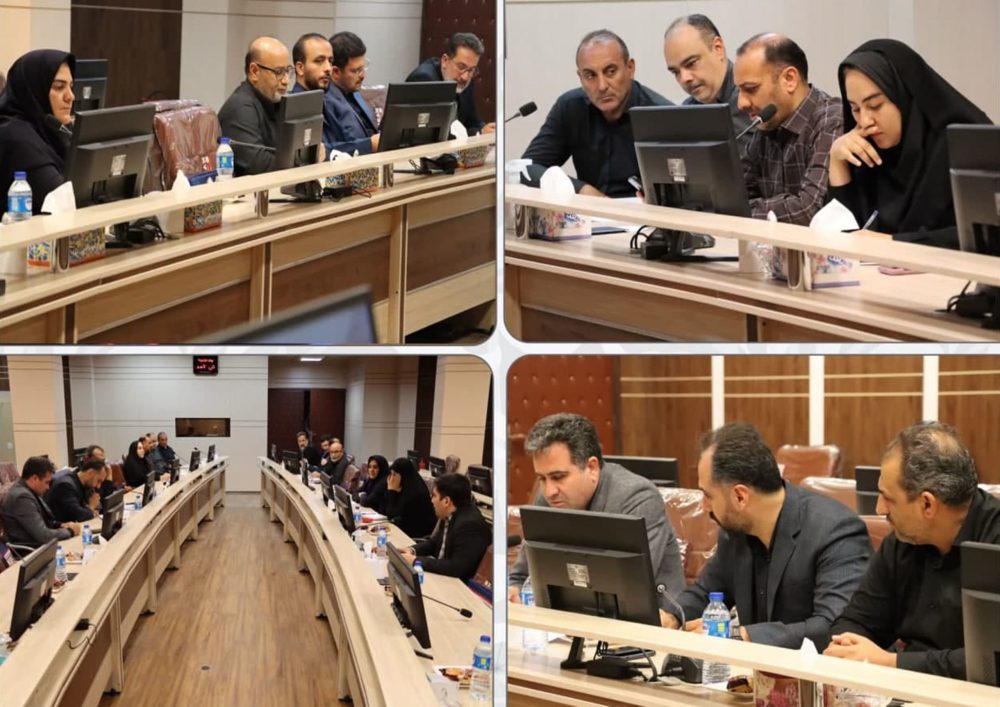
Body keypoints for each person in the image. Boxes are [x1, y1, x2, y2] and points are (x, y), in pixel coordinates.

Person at [660, 423, 871, 650]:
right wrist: (673, 616)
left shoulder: (835, 531)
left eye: (708, 495)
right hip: (756, 669)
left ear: (740, 497)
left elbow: (833, 627)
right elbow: (705, 592)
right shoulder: (735, 533)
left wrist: (741, 635)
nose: (703, 505)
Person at [825, 422, 1000, 678]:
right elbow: (856, 621)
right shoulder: (902, 541)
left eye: (888, 498)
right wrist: (847, 646)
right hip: (904, 687)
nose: (879, 509)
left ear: (927, 504)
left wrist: (892, 662)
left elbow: (992, 662)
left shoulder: (994, 541)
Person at [508, 413, 686, 608]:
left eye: (558, 477)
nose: (549, 491)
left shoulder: (638, 498)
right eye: (542, 479)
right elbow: (521, 575)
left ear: (592, 468)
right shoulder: (547, 499)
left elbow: (629, 585)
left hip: (647, 619)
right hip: (572, 616)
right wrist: (514, 590)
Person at [827, 39, 991, 249]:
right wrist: (838, 164)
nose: (865, 121)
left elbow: (988, 235)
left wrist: (896, 242)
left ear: (905, 95)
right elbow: (840, 241)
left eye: (875, 105)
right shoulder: (867, 149)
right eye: (855, 109)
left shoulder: (966, 146)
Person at [521, 29, 671, 198]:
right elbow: (525, 169)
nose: (602, 86)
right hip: (588, 211)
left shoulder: (660, 115)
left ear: (630, 68)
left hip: (642, 213)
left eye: (610, 71)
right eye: (590, 75)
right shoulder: (570, 107)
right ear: (580, 77)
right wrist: (581, 189)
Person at [734, 33, 842, 225]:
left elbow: (808, 210)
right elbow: (734, 197)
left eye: (750, 88)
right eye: (739, 91)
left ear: (789, 79)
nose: (741, 103)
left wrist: (743, 211)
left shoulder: (831, 119)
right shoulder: (768, 121)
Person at [0, 49, 75, 219]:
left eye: (71, 87)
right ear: (34, 90)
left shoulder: (49, 130)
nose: (70, 96)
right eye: (59, 87)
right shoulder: (15, 136)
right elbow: (63, 202)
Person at [662, 14, 751, 149]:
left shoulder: (756, 100)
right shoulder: (686, 114)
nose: (684, 78)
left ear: (718, 48)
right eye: (675, 72)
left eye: (691, 63)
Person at [217, 36, 292, 176]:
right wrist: (302, 162)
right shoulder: (240, 108)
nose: (286, 80)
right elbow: (260, 165)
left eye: (287, 71)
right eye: (278, 72)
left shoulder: (276, 102)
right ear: (254, 72)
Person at [399, 473, 491, 582]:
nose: (431, 500)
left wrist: (416, 561)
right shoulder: (450, 514)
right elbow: (434, 543)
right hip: (443, 576)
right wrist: (412, 550)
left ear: (446, 501)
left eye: (434, 496)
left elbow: (456, 568)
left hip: (457, 585)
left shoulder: (469, 524)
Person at [407, 32, 495, 135]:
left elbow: (473, 121)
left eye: (471, 70)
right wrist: (478, 133)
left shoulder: (466, 80)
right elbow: (431, 134)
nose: (465, 77)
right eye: (461, 67)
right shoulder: (425, 80)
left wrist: (486, 129)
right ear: (445, 61)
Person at [0, 456, 81, 548]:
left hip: (41, 547)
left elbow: (46, 522)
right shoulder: (21, 497)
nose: (48, 488)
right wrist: (70, 531)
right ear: (35, 478)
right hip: (31, 552)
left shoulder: (28, 491)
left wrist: (61, 525)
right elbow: (43, 536)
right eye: (47, 482)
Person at [324, 31, 379, 155]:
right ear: (335, 72)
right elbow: (328, 151)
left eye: (363, 67)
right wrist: (370, 145)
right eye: (356, 70)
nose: (363, 75)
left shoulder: (353, 91)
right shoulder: (326, 102)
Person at [384, 457, 437, 539]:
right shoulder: (404, 486)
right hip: (404, 530)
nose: (391, 478)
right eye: (391, 474)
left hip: (416, 535)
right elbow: (387, 511)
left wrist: (391, 491)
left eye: (394, 475)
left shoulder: (416, 493)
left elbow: (391, 515)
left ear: (403, 475)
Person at [44, 459, 106, 523]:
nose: (98, 486)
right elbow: (79, 516)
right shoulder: (66, 485)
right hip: (60, 526)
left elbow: (97, 508)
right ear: (90, 473)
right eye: (98, 481)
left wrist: (90, 511)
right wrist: (91, 507)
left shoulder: (84, 484)